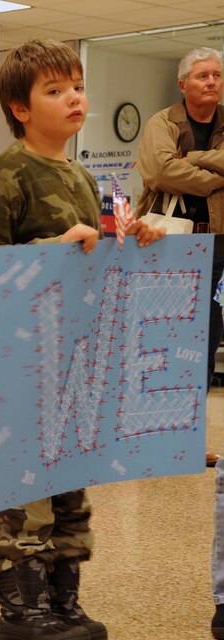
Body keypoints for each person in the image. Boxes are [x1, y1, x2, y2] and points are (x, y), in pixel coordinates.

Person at [0, 39, 164, 640]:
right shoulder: (5, 173)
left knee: (68, 481)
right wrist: (51, 248)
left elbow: (97, 259)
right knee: (19, 487)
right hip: (14, 358)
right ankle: (19, 605)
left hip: (75, 356)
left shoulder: (82, 175)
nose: (74, 96)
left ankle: (61, 594)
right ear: (19, 108)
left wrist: (138, 239)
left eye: (76, 84)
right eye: (54, 90)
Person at [135, 47, 224, 470]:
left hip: (218, 247)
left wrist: (194, 159)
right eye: (203, 75)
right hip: (170, 245)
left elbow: (178, 167)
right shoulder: (162, 122)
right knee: (166, 342)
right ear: (183, 83)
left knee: (204, 343)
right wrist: (213, 180)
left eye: (217, 76)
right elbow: (159, 172)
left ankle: (188, 439)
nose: (211, 82)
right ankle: (154, 437)